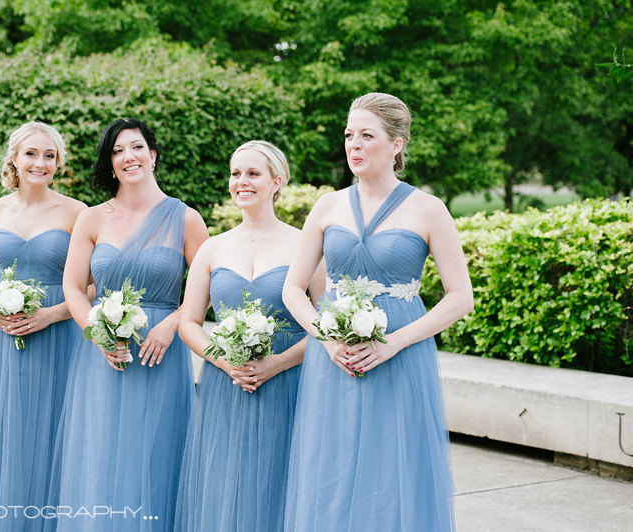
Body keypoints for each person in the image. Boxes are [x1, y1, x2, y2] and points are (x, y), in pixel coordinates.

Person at [282, 93, 473, 532]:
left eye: (367, 135)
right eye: (349, 135)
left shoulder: (428, 208)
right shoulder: (328, 206)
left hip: (400, 354)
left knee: (392, 465)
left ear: (396, 144)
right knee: (331, 463)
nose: (355, 144)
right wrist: (325, 338)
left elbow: (460, 296)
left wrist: (394, 342)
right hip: (333, 357)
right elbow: (293, 289)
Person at [48, 118, 209, 532]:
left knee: (155, 454)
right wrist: (96, 331)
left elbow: (207, 290)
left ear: (152, 156)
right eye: (117, 151)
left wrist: (173, 321)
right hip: (104, 354)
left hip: (160, 357)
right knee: (100, 454)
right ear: (111, 164)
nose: (128, 157)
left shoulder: (186, 218)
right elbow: (73, 285)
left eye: (136, 147)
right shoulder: (92, 219)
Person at [174, 141, 326, 532]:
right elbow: (189, 322)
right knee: (226, 481)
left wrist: (274, 364)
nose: (242, 181)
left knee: (285, 477)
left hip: (290, 381)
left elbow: (328, 324)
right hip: (227, 383)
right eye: (236, 173)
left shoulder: (306, 246)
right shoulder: (213, 248)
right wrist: (225, 362)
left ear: (277, 182)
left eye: (253, 174)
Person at [0, 121, 87, 531]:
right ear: (14, 158)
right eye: (31, 154)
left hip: (61, 335)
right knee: (9, 434)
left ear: (58, 163)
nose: (40, 162)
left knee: (58, 434)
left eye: (49, 155)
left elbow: (90, 284)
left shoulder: (76, 212)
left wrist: (51, 314)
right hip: (6, 338)